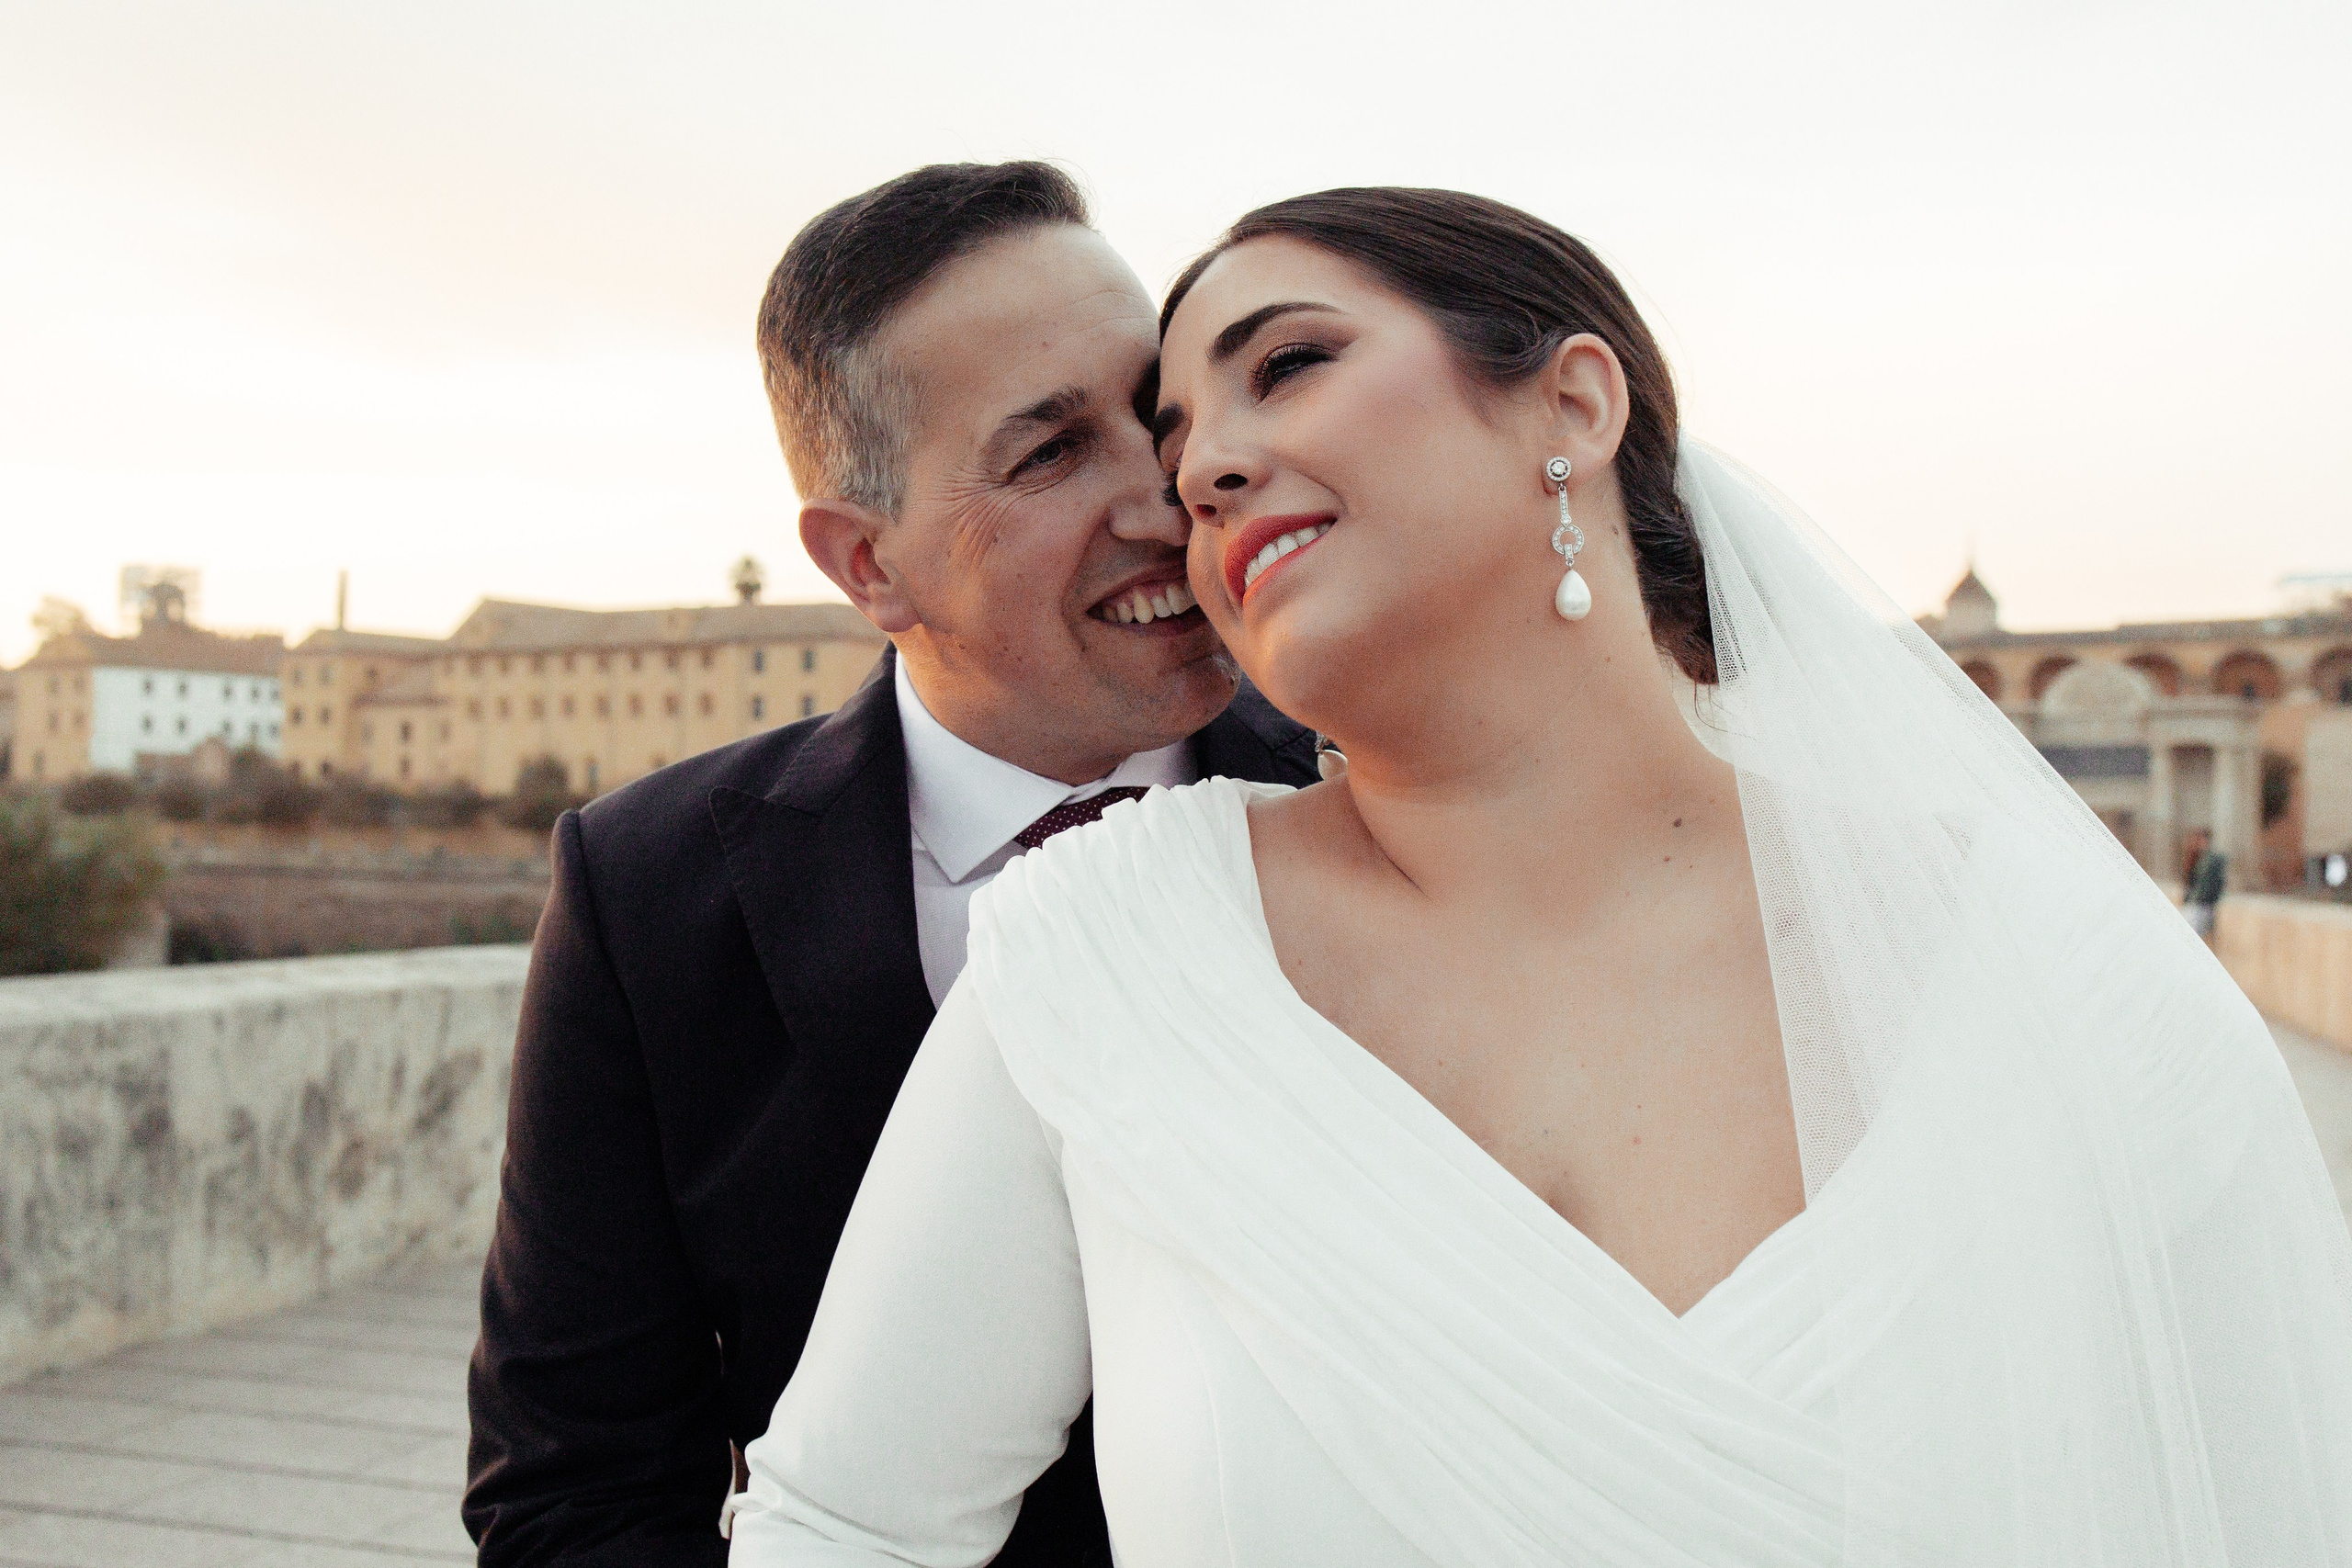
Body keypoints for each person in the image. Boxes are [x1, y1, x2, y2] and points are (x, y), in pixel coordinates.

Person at [725, 188, 2352, 1565]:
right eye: (1176, 437)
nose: (1193, 475)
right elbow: (842, 1527)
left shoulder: (2056, 971)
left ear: (1572, 405)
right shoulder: (1105, 958)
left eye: (1283, 365)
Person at [462, 163, 1319, 1567]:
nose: (1171, 498)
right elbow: (576, 1490)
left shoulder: (1382, 789)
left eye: (1157, 414)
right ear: (868, 564)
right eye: (1050, 453)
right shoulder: (649, 892)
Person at [2183, 827, 2228, 937]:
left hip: (2202, 906)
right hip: (2193, 905)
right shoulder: (2196, 858)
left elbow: (2216, 883)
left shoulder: (2213, 859)